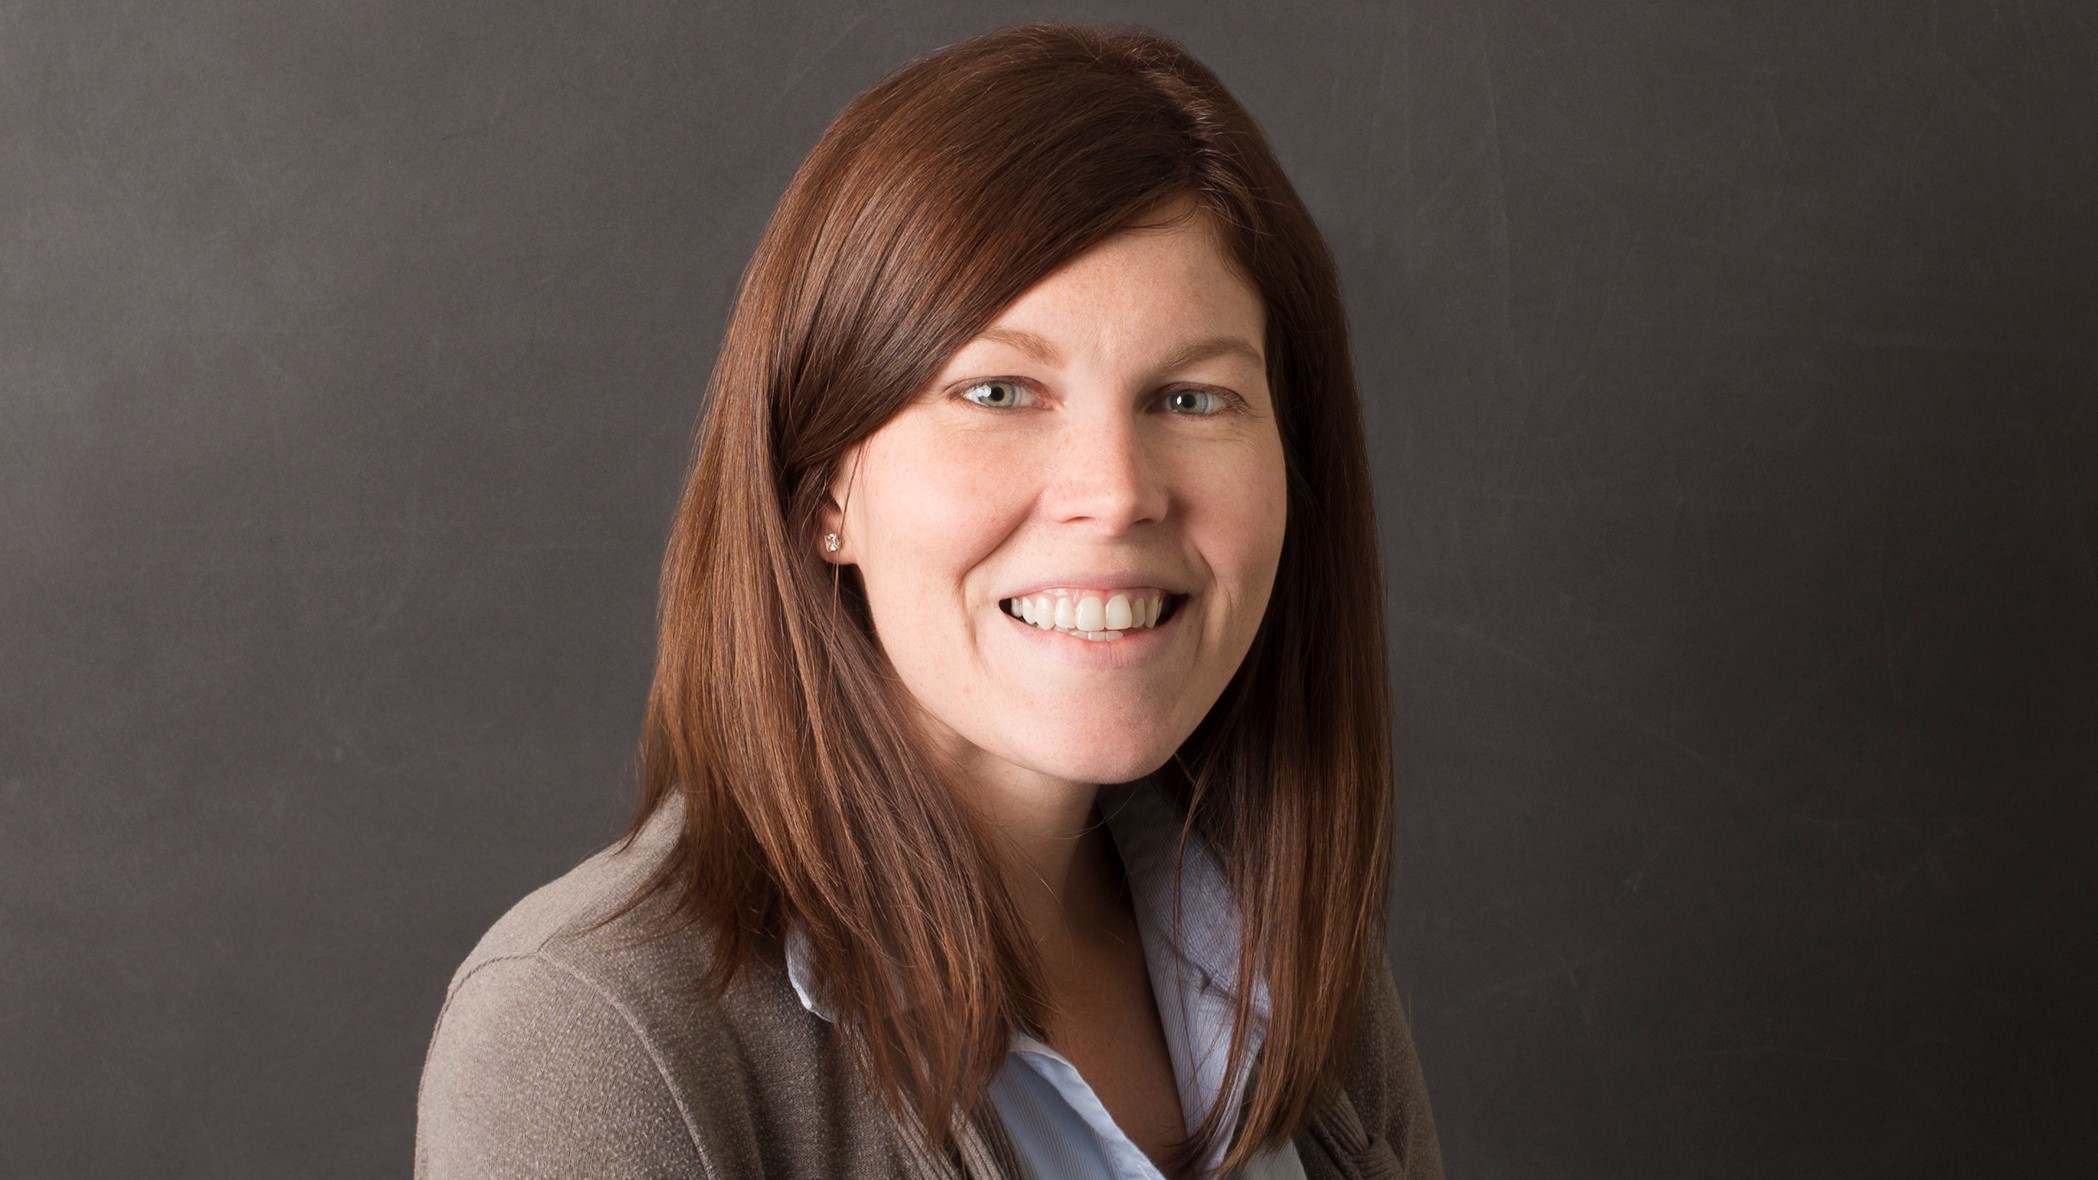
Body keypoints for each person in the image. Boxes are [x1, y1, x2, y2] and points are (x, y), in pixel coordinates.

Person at [415, 21, 1440, 1180]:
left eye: (1194, 399)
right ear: (823, 490)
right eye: (999, 389)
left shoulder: (1288, 953)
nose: (1113, 495)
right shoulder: (593, 1037)